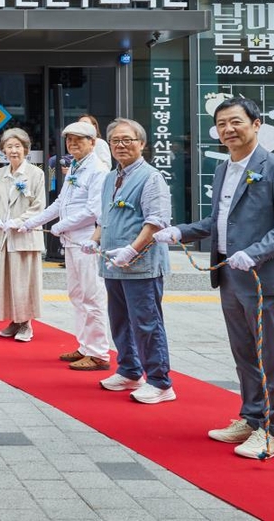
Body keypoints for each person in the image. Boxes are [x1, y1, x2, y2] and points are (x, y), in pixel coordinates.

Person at [159, 97, 274, 457]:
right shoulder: (224, 169)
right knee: (244, 355)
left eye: (236, 121)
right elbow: (218, 223)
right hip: (230, 276)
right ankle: (253, 418)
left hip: (264, 278)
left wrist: (254, 253)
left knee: (272, 356)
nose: (228, 129)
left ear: (256, 123)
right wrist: (181, 232)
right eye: (221, 123)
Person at [91, 118, 175, 404]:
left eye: (128, 139)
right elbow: (105, 216)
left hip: (141, 265)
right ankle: (129, 370)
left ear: (142, 144)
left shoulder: (151, 177)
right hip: (113, 264)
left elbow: (156, 222)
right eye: (115, 140)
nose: (121, 145)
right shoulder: (110, 178)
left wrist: (131, 250)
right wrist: (95, 240)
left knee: (147, 323)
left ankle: (160, 381)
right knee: (120, 321)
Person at [21, 121, 112, 371]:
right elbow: (61, 202)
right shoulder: (74, 166)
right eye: (70, 140)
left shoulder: (98, 170)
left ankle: (99, 353)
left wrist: (62, 225)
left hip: (87, 241)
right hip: (71, 240)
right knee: (76, 294)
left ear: (93, 143)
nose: (73, 144)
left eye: (79, 140)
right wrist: (32, 222)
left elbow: (94, 209)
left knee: (92, 296)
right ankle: (85, 346)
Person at [0, 128, 45, 342]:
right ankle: (14, 320)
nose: (13, 150)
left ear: (26, 149)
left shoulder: (36, 174)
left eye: (17, 146)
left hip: (24, 237)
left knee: (24, 282)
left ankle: (26, 323)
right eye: (8, 147)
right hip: (2, 237)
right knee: (6, 283)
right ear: (3, 151)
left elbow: (39, 207)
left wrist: (17, 221)